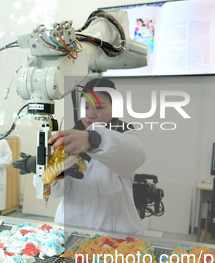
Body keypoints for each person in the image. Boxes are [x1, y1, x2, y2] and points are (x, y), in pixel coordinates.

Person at [46, 78, 146, 234]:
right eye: (85, 107)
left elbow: (135, 155)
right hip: (71, 231)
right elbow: (55, 192)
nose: (90, 114)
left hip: (113, 236)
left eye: (99, 107)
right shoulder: (69, 141)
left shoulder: (126, 135)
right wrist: (47, 173)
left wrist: (93, 139)